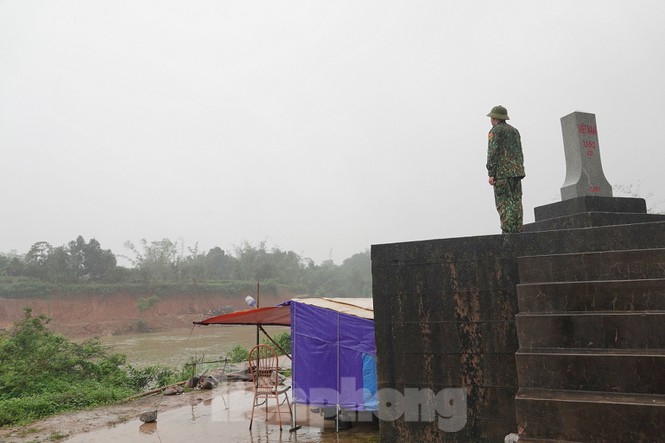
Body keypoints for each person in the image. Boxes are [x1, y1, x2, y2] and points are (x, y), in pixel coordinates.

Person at [486, 105, 525, 233]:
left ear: (495, 118)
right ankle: (518, 230)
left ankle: (508, 233)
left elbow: (493, 153)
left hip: (502, 174)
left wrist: (491, 173)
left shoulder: (495, 131)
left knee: (504, 203)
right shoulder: (515, 131)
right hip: (516, 172)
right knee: (516, 201)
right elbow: (519, 152)